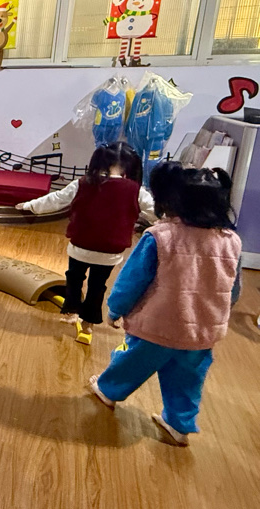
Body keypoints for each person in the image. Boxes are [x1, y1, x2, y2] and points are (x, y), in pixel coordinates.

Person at [88, 163, 242, 446]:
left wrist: (115, 309)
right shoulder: (231, 241)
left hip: (156, 327)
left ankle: (108, 391)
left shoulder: (160, 236)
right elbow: (233, 289)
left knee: (130, 361)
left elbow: (132, 279)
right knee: (188, 381)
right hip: (201, 334)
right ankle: (179, 424)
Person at [17, 142, 155, 345]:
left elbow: (57, 199)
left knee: (74, 278)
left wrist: (30, 206)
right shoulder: (136, 191)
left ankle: (72, 311)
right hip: (110, 253)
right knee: (97, 287)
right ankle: (88, 324)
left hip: (80, 247)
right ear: (129, 166)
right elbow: (155, 212)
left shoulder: (83, 183)